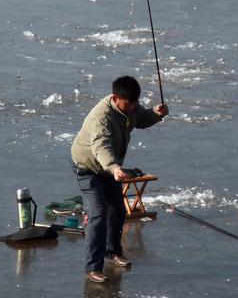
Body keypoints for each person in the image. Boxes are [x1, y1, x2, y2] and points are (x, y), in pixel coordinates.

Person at [71, 75, 168, 283]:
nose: (132, 107)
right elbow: (101, 146)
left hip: (108, 169)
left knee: (118, 209)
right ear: (115, 98)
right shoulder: (101, 118)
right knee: (99, 212)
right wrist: (115, 168)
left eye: (134, 103)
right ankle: (92, 267)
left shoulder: (130, 106)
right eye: (128, 104)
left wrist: (156, 114)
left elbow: (141, 118)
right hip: (87, 167)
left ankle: (112, 252)